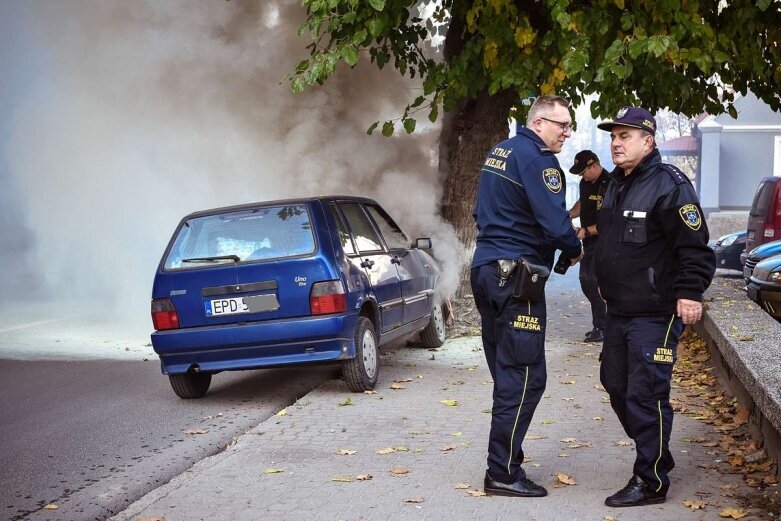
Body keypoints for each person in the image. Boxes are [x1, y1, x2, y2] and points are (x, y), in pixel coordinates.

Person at [594, 107, 716, 507]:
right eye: (614, 135)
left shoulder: (670, 185)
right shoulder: (614, 183)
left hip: (657, 312)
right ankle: (656, 450)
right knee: (616, 385)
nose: (616, 141)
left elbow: (695, 247)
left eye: (625, 135)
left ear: (648, 142)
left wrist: (690, 293)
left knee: (645, 395)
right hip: (619, 310)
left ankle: (651, 481)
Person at [471, 95, 583, 498]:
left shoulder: (498, 152)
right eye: (561, 125)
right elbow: (555, 225)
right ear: (538, 122)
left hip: (485, 269)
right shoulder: (540, 160)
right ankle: (501, 472)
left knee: (506, 371)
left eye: (568, 127)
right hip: (517, 277)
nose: (567, 133)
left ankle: (505, 462)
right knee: (524, 379)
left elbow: (480, 213)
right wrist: (574, 248)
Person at [568, 150, 610, 342]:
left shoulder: (610, 184)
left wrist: (586, 230)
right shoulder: (585, 183)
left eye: (583, 171)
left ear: (594, 166)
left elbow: (610, 221)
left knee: (595, 282)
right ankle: (600, 325)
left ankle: (604, 327)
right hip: (589, 241)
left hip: (604, 241)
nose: (581, 176)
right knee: (586, 281)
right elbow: (583, 204)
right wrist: (568, 214)